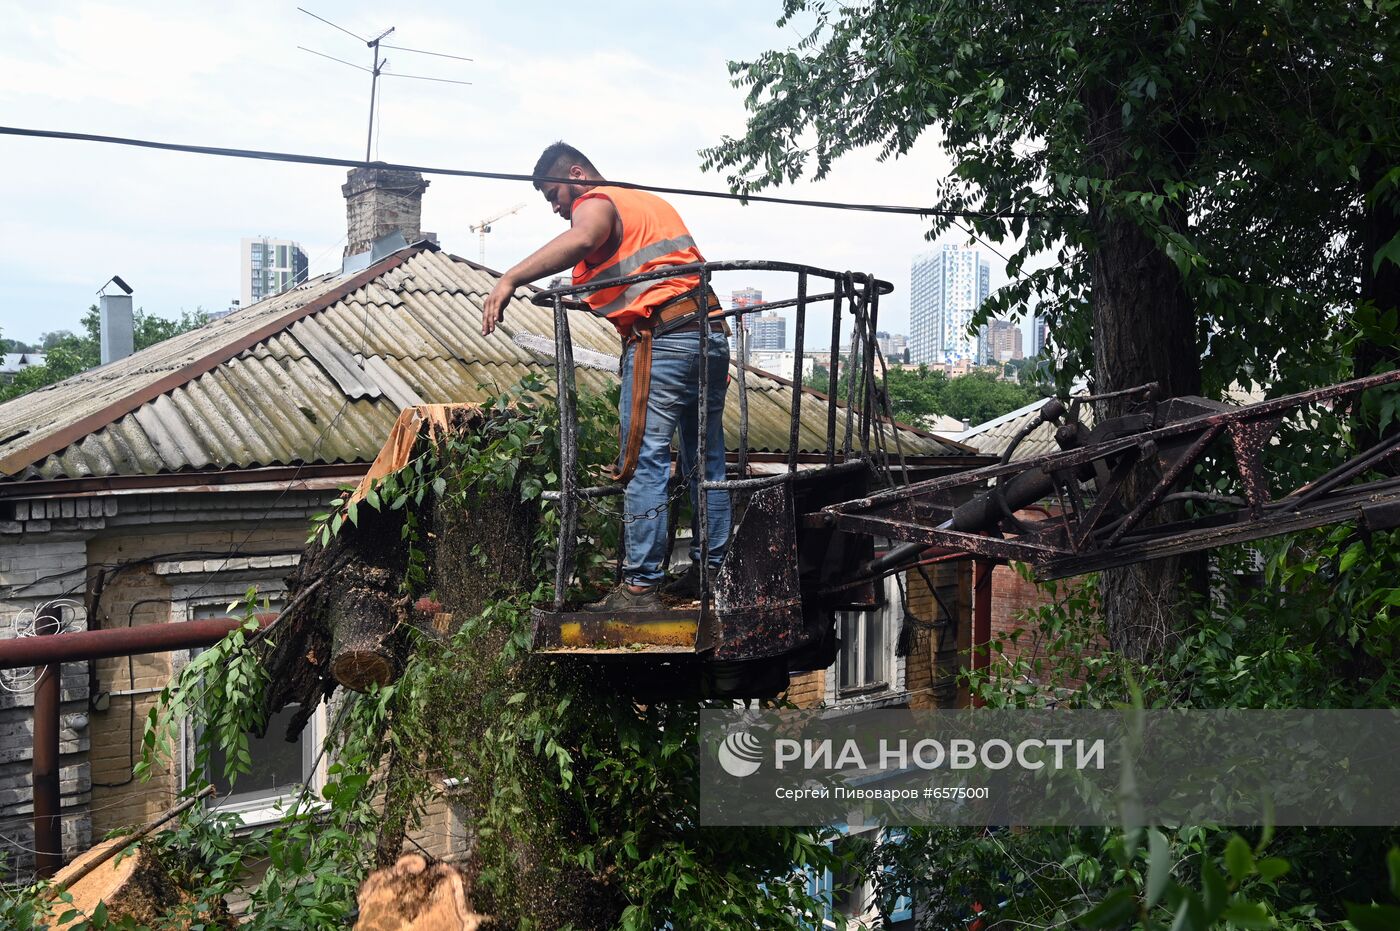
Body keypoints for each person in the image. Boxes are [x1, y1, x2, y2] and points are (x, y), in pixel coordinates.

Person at [480, 142, 731, 610]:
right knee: (705, 460)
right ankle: (711, 573)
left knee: (644, 460)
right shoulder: (646, 203)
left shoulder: (596, 202)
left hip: (665, 339)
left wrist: (510, 278)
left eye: (556, 194)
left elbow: (584, 238)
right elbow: (641, 273)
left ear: (577, 175)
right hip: (710, 333)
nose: (557, 208)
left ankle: (639, 589)